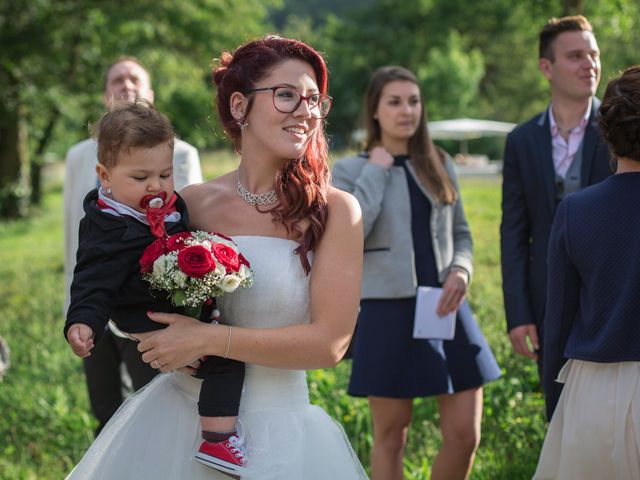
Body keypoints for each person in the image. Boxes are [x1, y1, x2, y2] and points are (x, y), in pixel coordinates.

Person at [66, 35, 367, 479]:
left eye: (313, 100)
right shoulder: (189, 203)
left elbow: (330, 344)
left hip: (282, 429)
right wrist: (150, 340)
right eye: (287, 95)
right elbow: (121, 282)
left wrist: (210, 340)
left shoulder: (335, 211)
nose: (305, 111)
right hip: (174, 420)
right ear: (240, 106)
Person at [332, 66, 501, 480]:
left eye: (414, 101)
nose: (407, 110)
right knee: (391, 436)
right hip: (386, 311)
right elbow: (353, 233)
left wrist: (461, 271)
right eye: (395, 101)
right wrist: (377, 168)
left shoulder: (440, 162)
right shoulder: (349, 170)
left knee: (465, 435)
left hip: (444, 306)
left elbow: (461, 232)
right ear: (375, 110)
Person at [64, 102, 247, 475]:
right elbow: (91, 281)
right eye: (141, 177)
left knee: (202, 361)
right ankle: (218, 440)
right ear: (105, 175)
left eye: (165, 174)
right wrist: (82, 322)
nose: (156, 186)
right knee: (224, 360)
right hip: (142, 315)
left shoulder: (171, 207)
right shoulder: (106, 227)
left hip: (175, 304)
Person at [63, 56, 203, 434]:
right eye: (117, 79)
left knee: (157, 402)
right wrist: (79, 309)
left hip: (158, 314)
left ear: (151, 93)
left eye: (134, 79)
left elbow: (190, 225)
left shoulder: (179, 154)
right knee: (105, 403)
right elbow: (78, 243)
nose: (155, 184)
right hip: (97, 301)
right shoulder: (81, 159)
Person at [500, 15, 611, 416]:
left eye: (594, 54)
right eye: (576, 55)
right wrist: (518, 312)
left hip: (616, 297)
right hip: (548, 298)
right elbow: (514, 231)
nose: (590, 64)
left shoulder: (625, 128)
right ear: (546, 67)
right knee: (559, 411)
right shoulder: (521, 140)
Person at [533, 65, 640, 480]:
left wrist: (554, 406)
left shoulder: (576, 211)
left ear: (607, 132)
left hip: (591, 395)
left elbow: (556, 319)